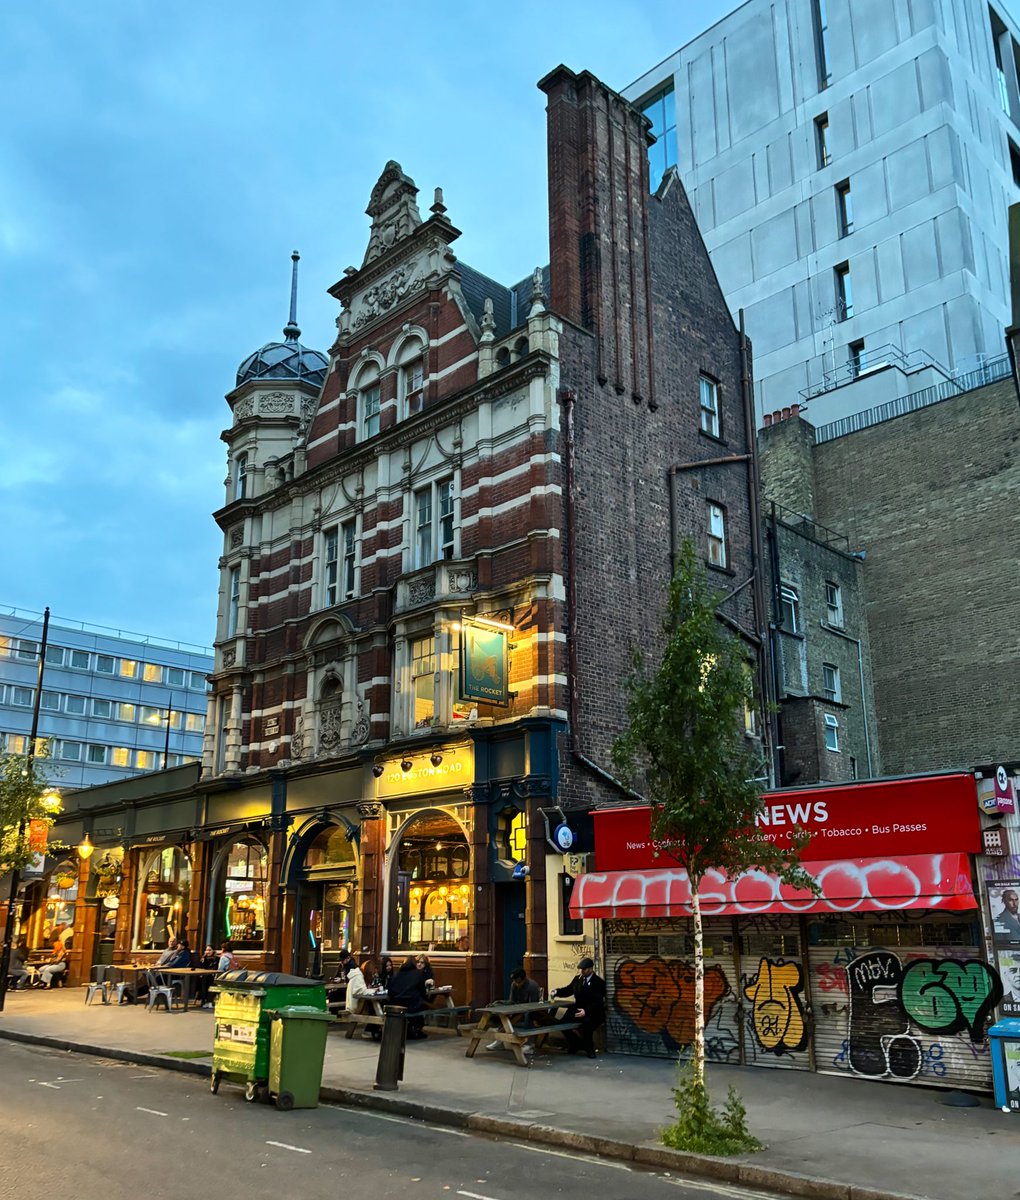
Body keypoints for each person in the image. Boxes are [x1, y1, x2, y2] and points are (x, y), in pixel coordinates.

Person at [550, 957, 606, 1058]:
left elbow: (598, 1002)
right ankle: (575, 1044)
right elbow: (568, 990)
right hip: (578, 1008)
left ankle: (589, 1049)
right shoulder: (578, 979)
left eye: (584, 969)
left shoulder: (598, 982)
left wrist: (586, 1011)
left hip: (592, 1012)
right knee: (562, 1023)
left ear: (590, 969)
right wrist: (557, 992)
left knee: (587, 1025)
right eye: (580, 969)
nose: (581, 971)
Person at [487, 966, 541, 1053]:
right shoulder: (514, 985)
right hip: (517, 1009)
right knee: (502, 1013)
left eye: (518, 982)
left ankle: (529, 1044)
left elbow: (533, 1005)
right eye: (515, 981)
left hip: (530, 1011)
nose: (516, 984)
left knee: (529, 1015)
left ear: (523, 979)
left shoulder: (532, 986)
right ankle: (500, 1041)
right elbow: (511, 1001)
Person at [387, 954, 429, 1039]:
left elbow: (390, 990)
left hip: (396, 1004)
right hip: (412, 1005)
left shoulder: (396, 974)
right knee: (421, 1005)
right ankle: (417, 1029)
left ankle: (410, 1029)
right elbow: (423, 992)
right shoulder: (418, 974)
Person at [347, 957, 382, 1040]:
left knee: (372, 1006)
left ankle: (371, 1030)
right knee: (374, 1007)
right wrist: (373, 990)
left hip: (355, 1003)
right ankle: (373, 1029)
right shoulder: (358, 977)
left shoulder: (358, 975)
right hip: (354, 1006)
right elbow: (361, 991)